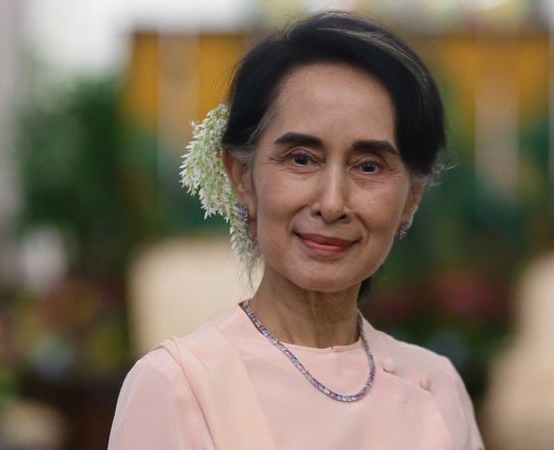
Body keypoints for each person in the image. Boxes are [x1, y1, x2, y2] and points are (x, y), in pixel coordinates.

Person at [109, 10, 484, 450]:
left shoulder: (437, 387)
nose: (332, 203)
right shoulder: (181, 388)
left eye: (368, 166)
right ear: (242, 176)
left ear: (411, 199)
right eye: (301, 159)